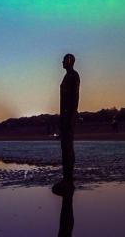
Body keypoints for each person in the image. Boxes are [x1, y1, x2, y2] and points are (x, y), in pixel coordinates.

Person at [52, 53, 80, 195]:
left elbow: (75, 98)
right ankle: (66, 178)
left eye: (64, 60)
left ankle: (69, 180)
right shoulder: (66, 77)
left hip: (69, 116)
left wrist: (70, 117)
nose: (62, 62)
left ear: (69, 61)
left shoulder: (74, 76)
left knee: (68, 147)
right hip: (64, 116)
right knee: (65, 147)